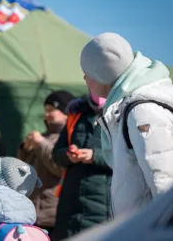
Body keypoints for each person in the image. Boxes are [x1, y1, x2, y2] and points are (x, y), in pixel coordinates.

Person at [80, 32, 173, 217]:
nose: (85, 80)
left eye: (87, 74)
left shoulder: (142, 111)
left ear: (102, 74)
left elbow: (164, 180)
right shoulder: (131, 106)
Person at [51, 93, 112, 240]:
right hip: (70, 204)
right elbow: (56, 154)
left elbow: (130, 157)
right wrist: (68, 154)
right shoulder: (77, 114)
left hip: (103, 206)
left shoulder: (121, 113)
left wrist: (95, 156)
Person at [18, 90, 75, 234]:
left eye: (51, 110)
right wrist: (25, 148)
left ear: (65, 111)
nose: (47, 115)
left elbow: (59, 167)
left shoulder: (70, 138)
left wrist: (41, 143)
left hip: (53, 213)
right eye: (45, 110)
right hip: (32, 212)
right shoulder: (43, 136)